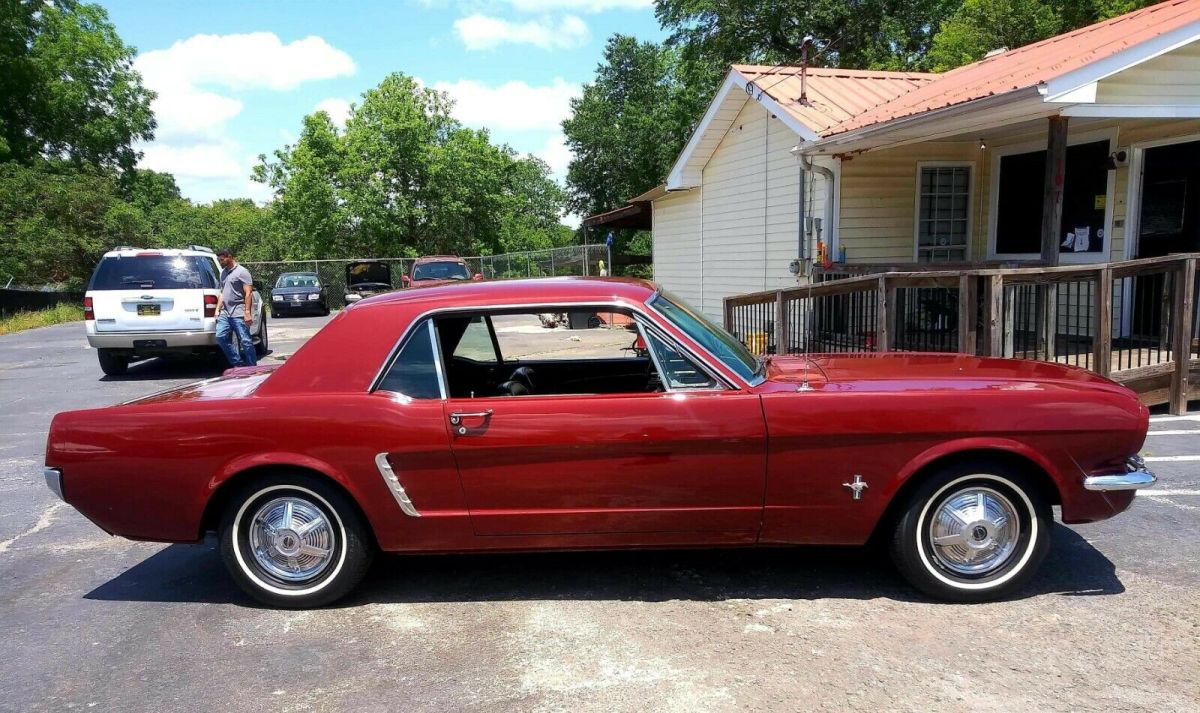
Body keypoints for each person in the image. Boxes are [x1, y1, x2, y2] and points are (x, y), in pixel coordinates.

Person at [215, 248, 257, 367]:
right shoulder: (223, 273)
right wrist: (217, 309)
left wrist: (247, 312)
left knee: (245, 341)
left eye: (222, 260)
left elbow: (248, 293)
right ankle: (238, 364)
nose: (220, 262)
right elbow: (222, 293)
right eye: (219, 260)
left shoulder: (242, 272)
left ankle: (251, 367)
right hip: (225, 312)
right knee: (220, 336)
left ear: (229, 257)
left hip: (239, 311)